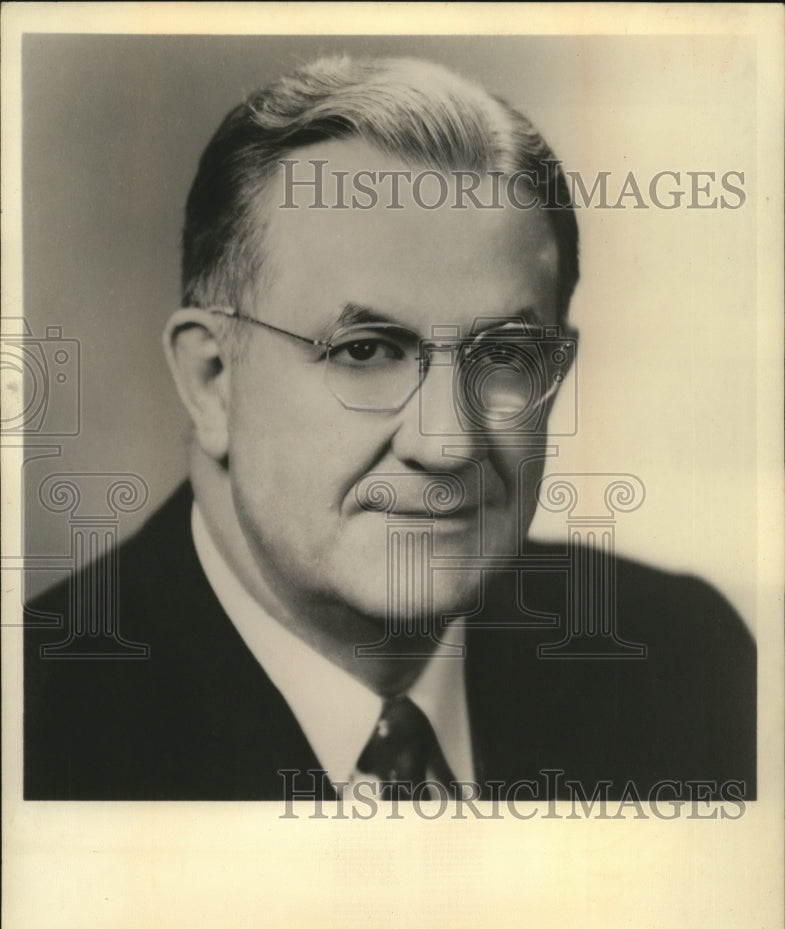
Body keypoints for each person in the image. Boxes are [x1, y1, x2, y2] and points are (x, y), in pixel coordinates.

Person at [24, 55, 755, 803]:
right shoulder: (36, 734)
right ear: (212, 380)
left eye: (502, 355)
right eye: (365, 352)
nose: (446, 444)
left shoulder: (685, 662)